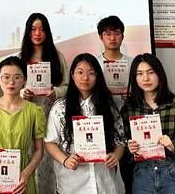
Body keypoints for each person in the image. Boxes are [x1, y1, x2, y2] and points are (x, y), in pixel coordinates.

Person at [45, 53, 125, 194]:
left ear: (97, 76)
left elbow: (120, 140)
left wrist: (116, 156)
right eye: (80, 72)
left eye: (91, 73)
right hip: (72, 183)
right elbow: (50, 142)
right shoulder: (60, 108)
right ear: (72, 75)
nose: (85, 78)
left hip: (103, 181)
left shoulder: (107, 106)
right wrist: (65, 160)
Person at [121, 54, 175, 194]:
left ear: (160, 74)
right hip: (142, 176)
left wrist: (173, 146)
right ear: (134, 78)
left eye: (151, 72)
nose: (145, 78)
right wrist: (129, 149)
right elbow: (120, 146)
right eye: (140, 74)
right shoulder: (129, 108)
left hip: (172, 174)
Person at [0, 56, 46, 194]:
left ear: (24, 80)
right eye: (6, 77)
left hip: (21, 180)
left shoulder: (34, 111)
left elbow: (39, 150)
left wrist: (26, 173)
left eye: (17, 77)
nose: (11, 82)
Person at [18, 13, 69, 193]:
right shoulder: (20, 58)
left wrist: (56, 92)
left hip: (50, 116)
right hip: (26, 117)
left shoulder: (57, 57)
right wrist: (21, 92)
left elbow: (68, 86)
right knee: (28, 159)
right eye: (33, 29)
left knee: (49, 162)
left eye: (42, 29)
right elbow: (9, 88)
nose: (37, 33)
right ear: (27, 32)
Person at [95, 16, 133, 193]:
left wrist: (131, 95)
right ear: (100, 37)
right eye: (107, 33)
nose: (112, 37)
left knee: (131, 175)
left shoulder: (133, 63)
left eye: (116, 33)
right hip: (105, 126)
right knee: (107, 178)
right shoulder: (95, 65)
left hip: (130, 124)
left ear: (122, 36)